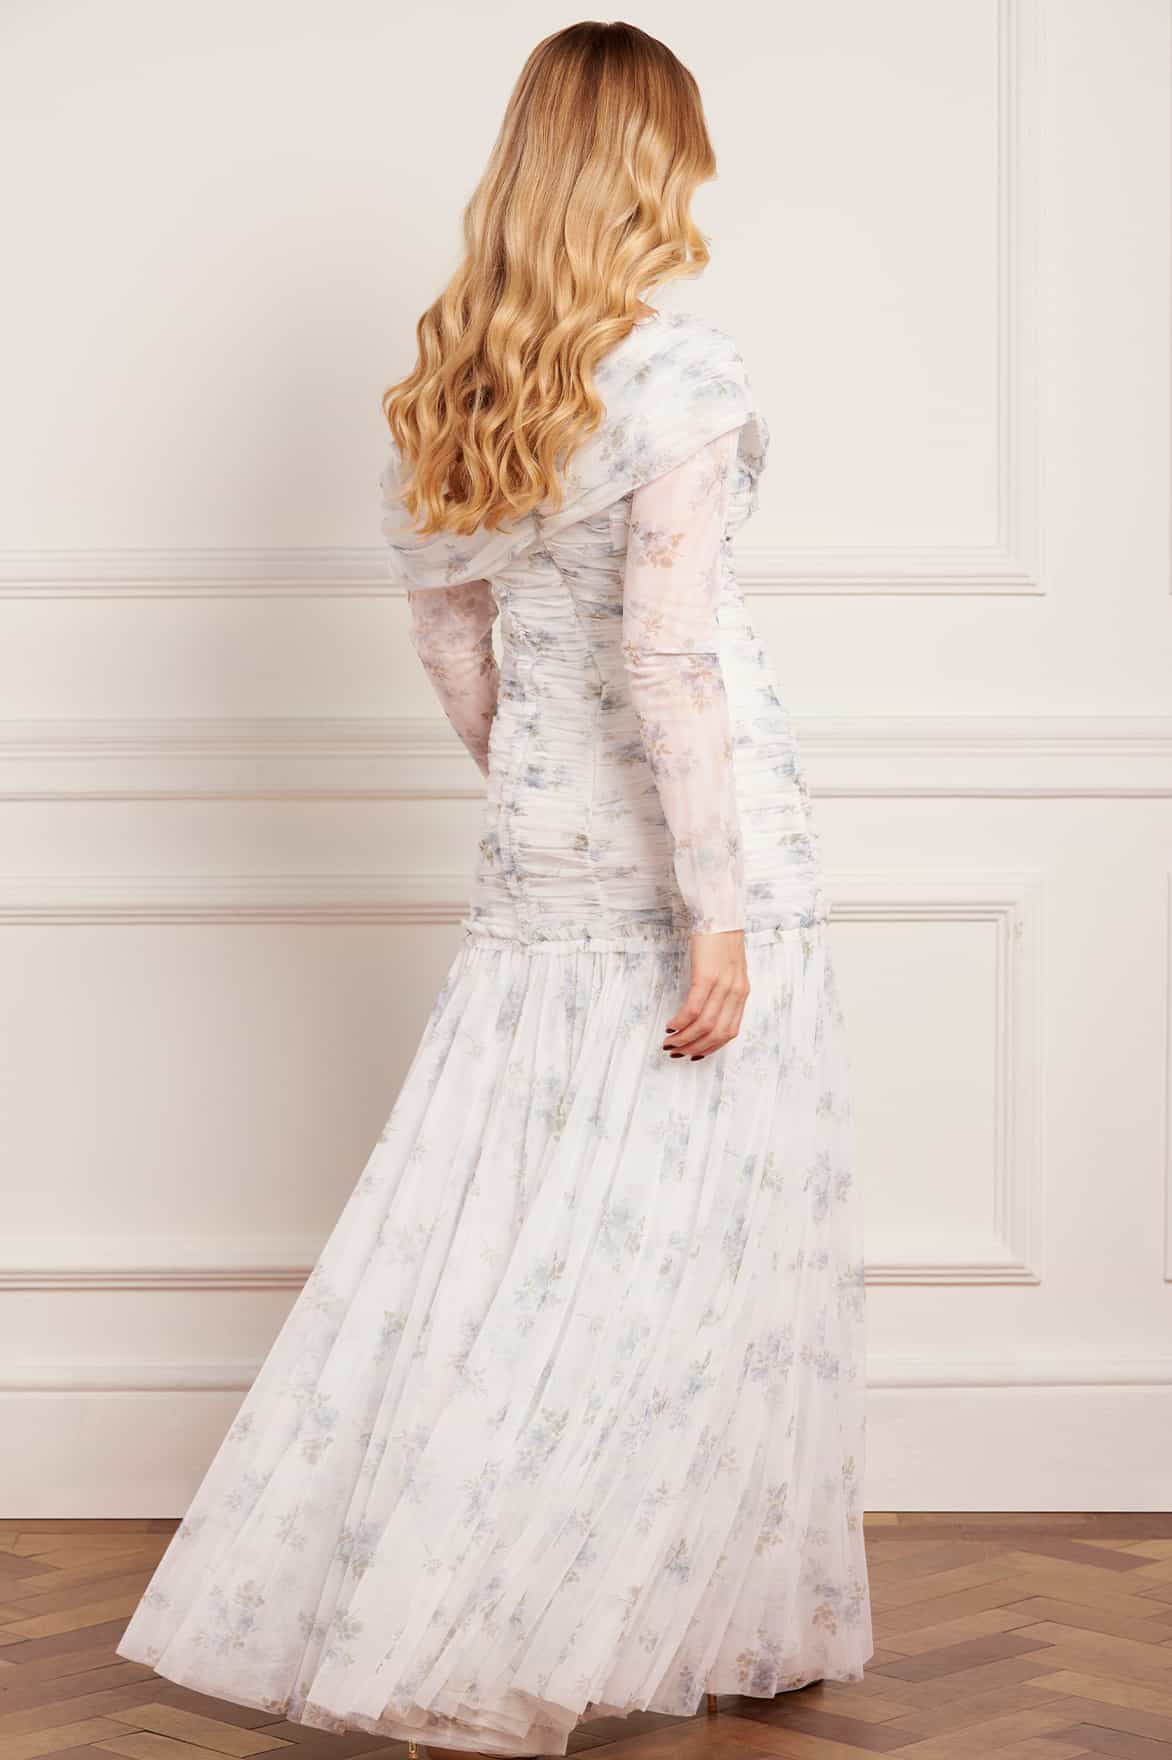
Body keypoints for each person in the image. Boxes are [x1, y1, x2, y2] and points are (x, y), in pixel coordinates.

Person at [116, 20, 873, 1758]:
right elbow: (668, 653)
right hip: (705, 854)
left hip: (543, 854)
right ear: (651, 162)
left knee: (506, 1232)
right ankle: (609, 1612)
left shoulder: (456, 388)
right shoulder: (682, 376)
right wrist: (717, 909)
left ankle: (610, 1604)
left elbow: (455, 649)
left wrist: (539, 801)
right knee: (699, 1245)